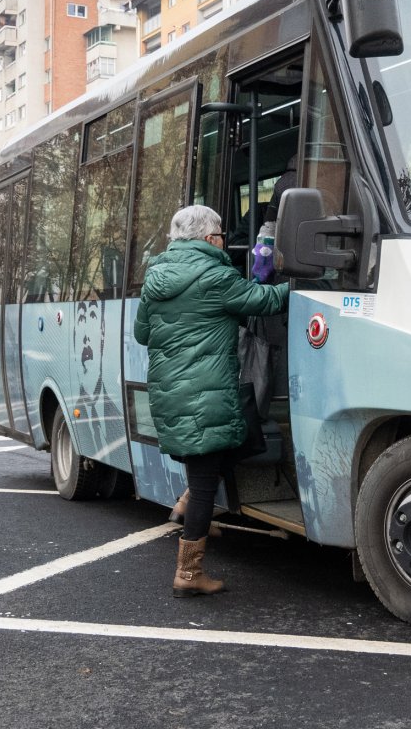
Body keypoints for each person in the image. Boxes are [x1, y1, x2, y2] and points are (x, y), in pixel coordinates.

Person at [134, 205, 289, 597]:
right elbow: (265, 301)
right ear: (207, 238)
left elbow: (142, 334)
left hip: (171, 393)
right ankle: (188, 574)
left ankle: (186, 502)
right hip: (205, 394)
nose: (223, 239)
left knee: (243, 440)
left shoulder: (156, 277)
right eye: (220, 233)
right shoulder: (215, 276)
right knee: (206, 484)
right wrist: (303, 286)